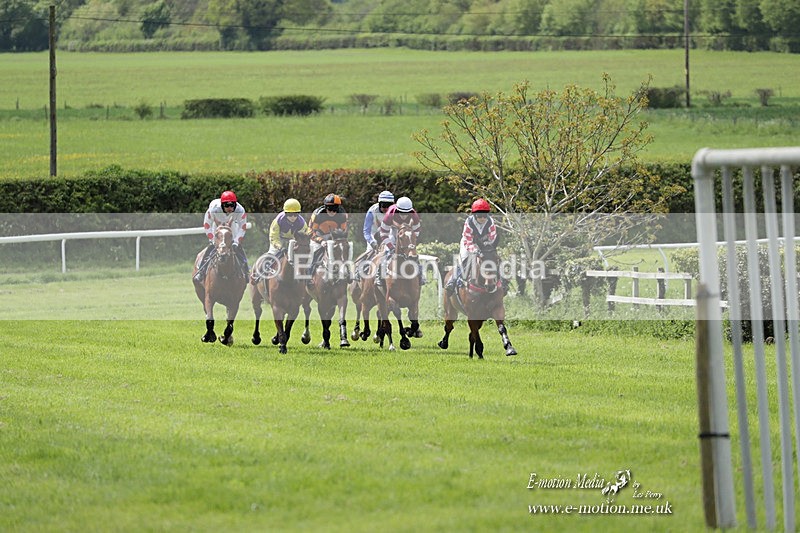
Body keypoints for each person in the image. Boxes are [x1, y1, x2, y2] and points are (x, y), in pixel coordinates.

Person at [445, 198, 504, 294]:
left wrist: (487, 248)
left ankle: (504, 282)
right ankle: (452, 281)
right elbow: (468, 240)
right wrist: (475, 250)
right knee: (464, 260)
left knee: (496, 259)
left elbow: (492, 237)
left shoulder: (490, 222)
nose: (482, 218)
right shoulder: (469, 222)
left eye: (484, 216)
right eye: (480, 216)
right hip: (469, 244)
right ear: (475, 215)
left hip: (485, 245)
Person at [194, 190, 248, 282]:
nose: (230, 208)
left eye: (232, 205)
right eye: (227, 205)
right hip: (217, 228)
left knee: (239, 249)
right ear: (222, 205)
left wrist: (236, 242)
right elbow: (207, 225)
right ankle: (201, 272)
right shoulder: (213, 209)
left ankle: (246, 273)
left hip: (232, 228)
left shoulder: (240, 210)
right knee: (211, 248)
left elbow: (242, 227)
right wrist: (212, 240)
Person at [375, 196, 424, 287]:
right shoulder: (389, 214)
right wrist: (391, 247)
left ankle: (421, 275)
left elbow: (416, 232)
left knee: (414, 256)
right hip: (392, 231)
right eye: (401, 212)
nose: (404, 215)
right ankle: (379, 275)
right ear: (397, 209)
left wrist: (410, 244)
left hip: (408, 232)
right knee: (386, 253)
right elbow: (383, 233)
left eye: (406, 213)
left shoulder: (414, 215)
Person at [257, 198, 309, 281]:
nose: (292, 217)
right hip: (279, 240)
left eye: (295, 215)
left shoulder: (302, 223)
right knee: (271, 255)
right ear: (285, 213)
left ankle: (309, 275)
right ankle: (257, 275)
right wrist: (280, 247)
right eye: (289, 214)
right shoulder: (278, 220)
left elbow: (304, 236)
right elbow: (273, 237)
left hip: (293, 240)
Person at [307, 193, 348, 284]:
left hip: (333, 237)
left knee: (344, 250)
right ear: (325, 207)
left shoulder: (342, 215)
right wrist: (321, 241)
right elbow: (310, 232)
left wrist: (336, 240)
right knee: (312, 255)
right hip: (317, 236)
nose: (332, 212)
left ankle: (348, 273)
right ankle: (308, 277)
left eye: (335, 209)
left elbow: (343, 231)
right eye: (329, 208)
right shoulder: (318, 214)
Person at [363, 190, 394, 258]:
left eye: (389, 206)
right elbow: (366, 231)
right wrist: (372, 242)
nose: (386, 208)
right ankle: (365, 266)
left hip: (389, 236)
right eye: (384, 205)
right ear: (379, 204)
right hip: (373, 236)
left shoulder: (395, 212)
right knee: (369, 253)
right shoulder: (372, 211)